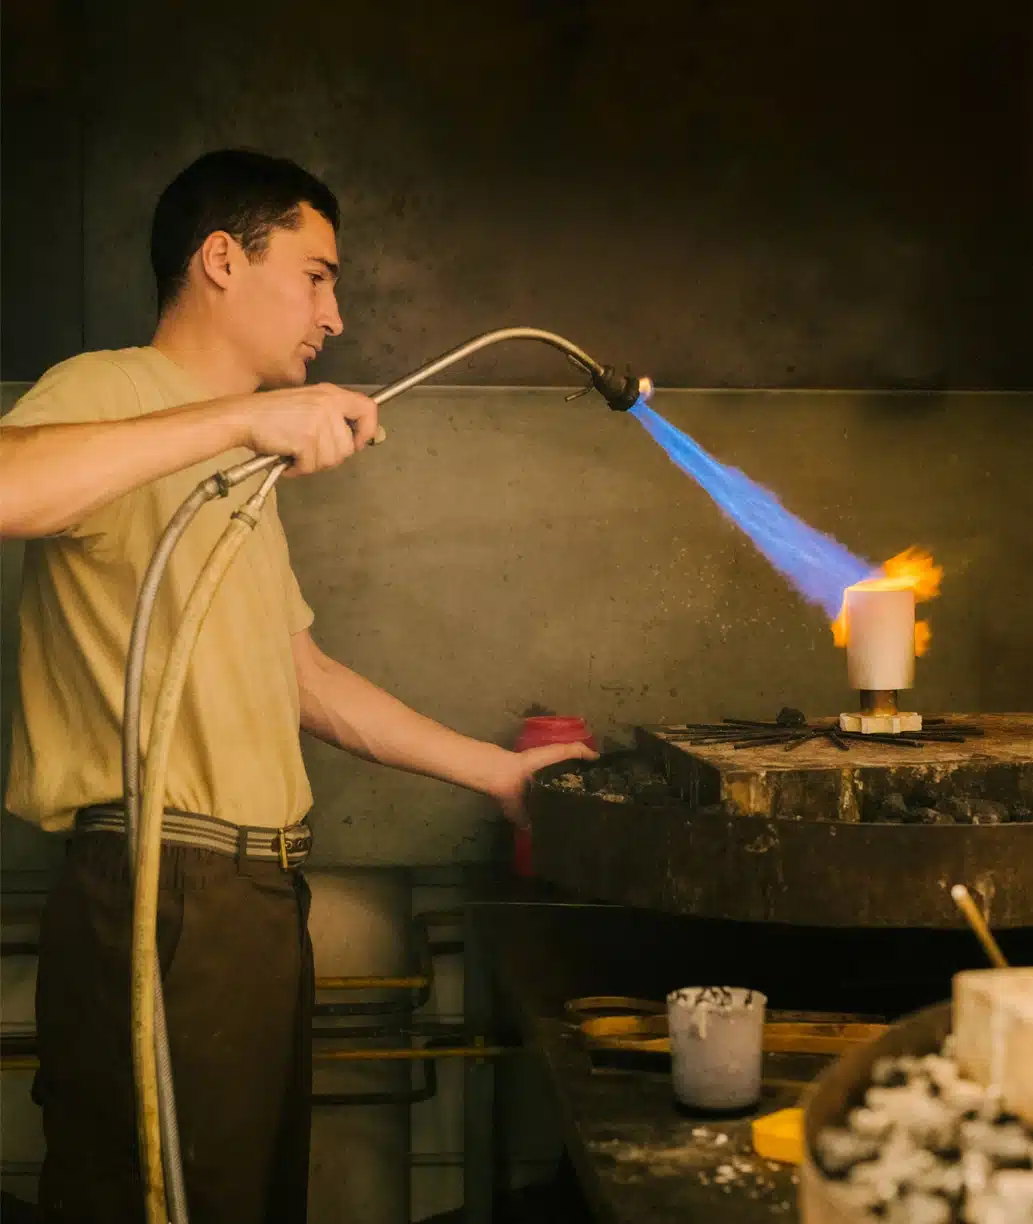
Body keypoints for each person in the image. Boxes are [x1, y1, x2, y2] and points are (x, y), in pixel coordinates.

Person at [0, 149, 594, 1224]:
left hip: (253, 898)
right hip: (161, 880)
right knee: (148, 1198)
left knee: (242, 1198)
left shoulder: (242, 477)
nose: (335, 312)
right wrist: (238, 420)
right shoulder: (110, 393)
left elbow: (301, 678)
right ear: (222, 259)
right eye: (317, 274)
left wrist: (498, 776)